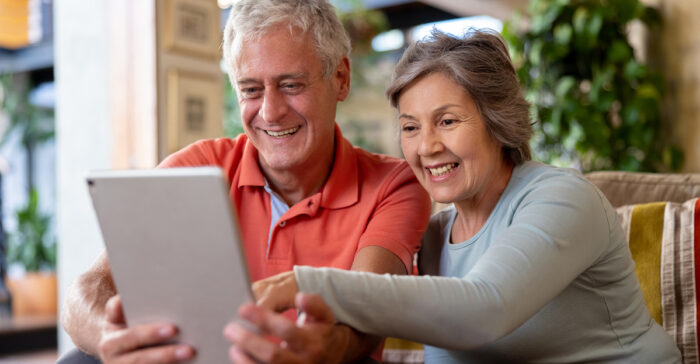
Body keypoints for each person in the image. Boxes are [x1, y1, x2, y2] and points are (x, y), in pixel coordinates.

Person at [226, 30, 682, 363]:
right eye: (410, 127)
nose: (427, 147)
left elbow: (484, 309)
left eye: (447, 121)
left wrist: (307, 283)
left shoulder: (562, 198)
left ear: (496, 121)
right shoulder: (432, 238)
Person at [59, 0, 431, 363]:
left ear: (340, 79)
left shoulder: (394, 184)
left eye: (291, 85)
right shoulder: (198, 167)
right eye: (251, 90)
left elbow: (366, 314)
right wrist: (112, 339)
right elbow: (86, 291)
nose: (270, 112)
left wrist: (326, 348)